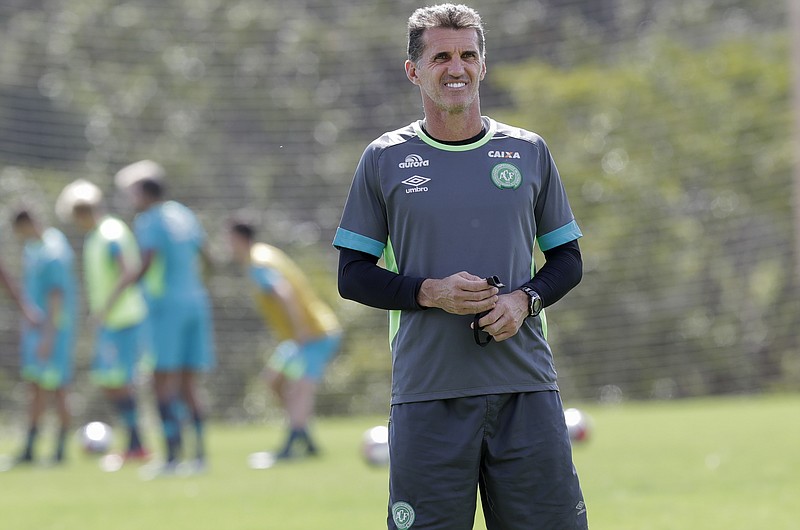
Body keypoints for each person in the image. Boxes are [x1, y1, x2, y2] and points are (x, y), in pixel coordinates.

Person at [333, 4, 588, 529]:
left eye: (468, 54)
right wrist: (431, 292)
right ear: (414, 70)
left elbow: (568, 259)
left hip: (526, 389)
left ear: (483, 64)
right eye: (441, 56)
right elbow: (352, 274)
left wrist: (524, 300)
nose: (457, 67)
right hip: (428, 392)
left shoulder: (528, 151)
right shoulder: (384, 158)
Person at [115, 161, 215, 474]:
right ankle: (199, 457)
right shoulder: (183, 213)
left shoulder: (150, 220)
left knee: (161, 381)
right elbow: (209, 257)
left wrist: (118, 292)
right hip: (196, 302)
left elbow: (146, 262)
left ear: (144, 191)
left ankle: (171, 457)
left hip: (166, 308)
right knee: (189, 383)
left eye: (131, 192)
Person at [228, 218, 342, 460]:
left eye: (228, 239)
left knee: (301, 389)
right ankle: (305, 437)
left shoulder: (258, 262)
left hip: (315, 334)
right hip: (300, 336)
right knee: (274, 381)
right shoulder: (263, 254)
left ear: (238, 238)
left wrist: (300, 331)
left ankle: (290, 446)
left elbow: (285, 293)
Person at [56, 179, 150, 462]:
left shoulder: (110, 233)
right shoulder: (96, 235)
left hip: (124, 319)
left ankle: (137, 445)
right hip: (111, 321)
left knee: (122, 381)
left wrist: (104, 310)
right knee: (111, 381)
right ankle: (134, 442)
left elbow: (128, 270)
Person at [11, 208, 78, 465]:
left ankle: (60, 450)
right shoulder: (33, 248)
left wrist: (49, 338)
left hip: (54, 332)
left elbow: (56, 297)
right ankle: (30, 448)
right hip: (36, 331)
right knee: (35, 388)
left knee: (59, 389)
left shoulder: (54, 252)